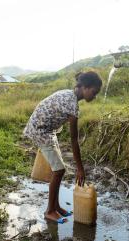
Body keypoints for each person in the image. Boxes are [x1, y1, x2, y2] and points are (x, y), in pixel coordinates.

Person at [23, 71, 102, 223]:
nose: (94, 96)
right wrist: (80, 168)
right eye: (94, 92)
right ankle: (49, 211)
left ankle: (57, 206)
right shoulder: (72, 105)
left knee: (59, 169)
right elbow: (74, 140)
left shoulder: (69, 95)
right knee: (58, 170)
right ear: (85, 87)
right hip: (40, 130)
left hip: (47, 130)